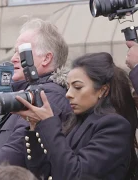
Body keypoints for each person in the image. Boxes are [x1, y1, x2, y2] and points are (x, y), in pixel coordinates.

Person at [17, 52, 138, 180]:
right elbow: (43, 173)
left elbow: (76, 175)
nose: (68, 94)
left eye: (77, 87)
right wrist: (34, 127)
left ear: (103, 90)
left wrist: (48, 123)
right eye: (68, 87)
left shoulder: (114, 126)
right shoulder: (73, 121)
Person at [0, 18, 72, 168]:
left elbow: (16, 151)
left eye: (21, 53)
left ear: (46, 58)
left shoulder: (48, 96)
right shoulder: (26, 92)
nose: (13, 59)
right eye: (14, 52)